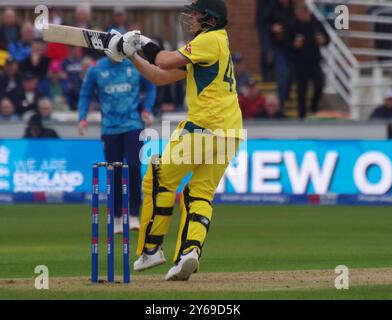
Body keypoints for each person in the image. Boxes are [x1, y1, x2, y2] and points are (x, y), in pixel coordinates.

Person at [105, 0, 243, 281]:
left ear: (210, 19)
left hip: (204, 127)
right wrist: (132, 55)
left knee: (157, 179)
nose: (190, 18)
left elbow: (164, 59)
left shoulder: (210, 40)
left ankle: (152, 249)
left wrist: (141, 41)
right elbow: (158, 76)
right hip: (230, 133)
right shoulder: (212, 47)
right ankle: (190, 252)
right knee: (199, 193)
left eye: (196, 14)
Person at [78, 53, 156, 234]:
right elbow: (85, 94)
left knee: (134, 167)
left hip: (133, 125)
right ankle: (117, 217)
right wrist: (82, 118)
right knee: (114, 171)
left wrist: (147, 109)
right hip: (110, 128)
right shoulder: (96, 68)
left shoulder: (135, 65)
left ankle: (134, 213)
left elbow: (151, 87)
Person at [290, 3, 329, 119]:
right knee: (301, 90)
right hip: (300, 63)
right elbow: (287, 43)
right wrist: (294, 45)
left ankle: (313, 109)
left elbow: (327, 39)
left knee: (319, 85)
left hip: (314, 61)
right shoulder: (294, 25)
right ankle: (302, 115)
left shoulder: (316, 24)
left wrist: (323, 40)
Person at [266, 0, 294, 110]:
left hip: (291, 47)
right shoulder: (274, 8)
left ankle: (286, 95)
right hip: (278, 46)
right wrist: (273, 28)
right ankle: (281, 102)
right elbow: (266, 25)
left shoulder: (292, 7)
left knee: (290, 74)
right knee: (282, 73)